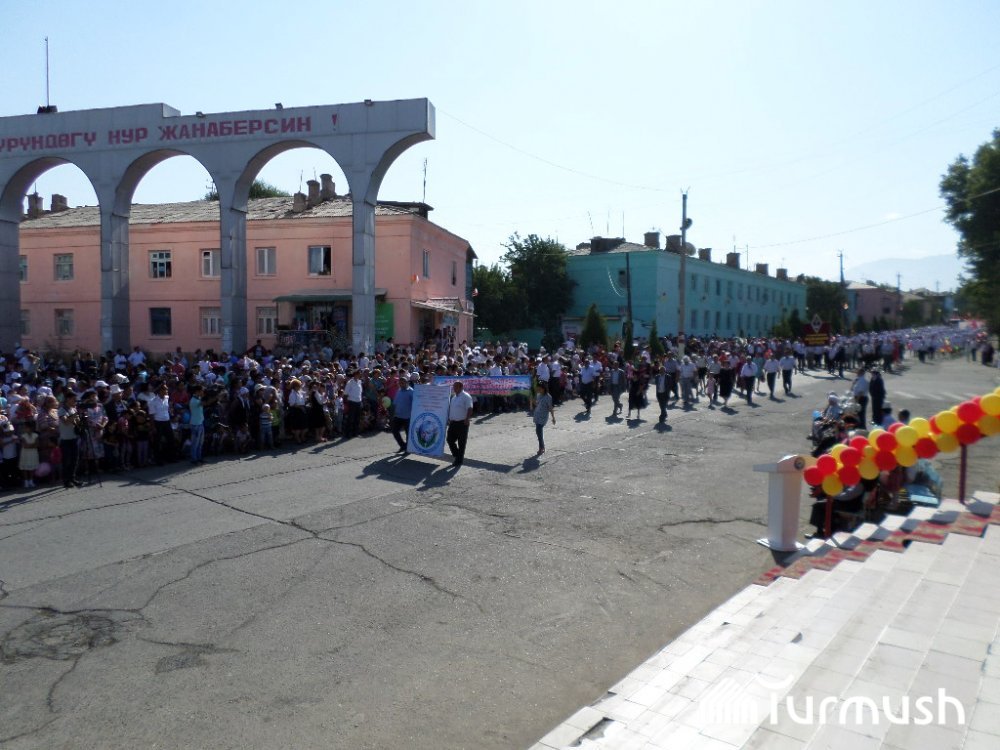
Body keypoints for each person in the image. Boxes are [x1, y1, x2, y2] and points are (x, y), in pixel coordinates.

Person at [446, 380, 474, 467]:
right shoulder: (454, 397)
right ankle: (457, 455)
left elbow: (470, 408)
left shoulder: (466, 396)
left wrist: (467, 419)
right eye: (453, 386)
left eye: (456, 387)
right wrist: (449, 418)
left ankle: (459, 460)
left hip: (462, 423)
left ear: (461, 387)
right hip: (453, 423)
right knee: (449, 440)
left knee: (461, 443)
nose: (454, 388)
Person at [58, 392, 82, 488]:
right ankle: (66, 480)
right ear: (68, 399)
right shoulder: (62, 410)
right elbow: (66, 422)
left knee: (75, 460)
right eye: (73, 399)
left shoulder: (73, 409)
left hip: (74, 438)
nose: (75, 401)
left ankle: (72, 478)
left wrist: (80, 418)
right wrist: (75, 414)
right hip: (65, 439)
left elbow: (77, 423)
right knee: (66, 461)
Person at [392, 374, 415, 453]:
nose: (401, 384)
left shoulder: (411, 391)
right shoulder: (399, 391)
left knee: (408, 434)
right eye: (400, 383)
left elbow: (415, 403)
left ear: (407, 383)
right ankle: (403, 446)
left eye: (403, 383)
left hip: (407, 416)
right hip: (398, 415)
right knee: (395, 431)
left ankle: (408, 449)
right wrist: (393, 412)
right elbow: (395, 403)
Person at [532, 381, 555, 455]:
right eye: (538, 388)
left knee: (539, 430)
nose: (538, 390)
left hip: (543, 416)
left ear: (544, 388)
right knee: (538, 431)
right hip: (537, 414)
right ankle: (542, 446)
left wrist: (553, 417)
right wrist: (533, 401)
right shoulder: (538, 395)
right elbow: (537, 404)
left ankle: (541, 447)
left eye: (540, 389)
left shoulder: (548, 397)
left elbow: (550, 407)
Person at [18, 420, 40, 488]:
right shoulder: (23, 436)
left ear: (30, 428)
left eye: (26, 427)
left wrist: (30, 445)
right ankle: (26, 481)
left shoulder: (36, 435)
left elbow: (37, 445)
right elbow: (25, 446)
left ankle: (31, 481)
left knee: (32, 468)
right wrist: (32, 445)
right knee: (25, 468)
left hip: (33, 453)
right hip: (25, 453)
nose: (24, 429)